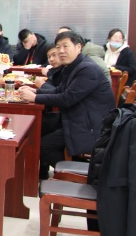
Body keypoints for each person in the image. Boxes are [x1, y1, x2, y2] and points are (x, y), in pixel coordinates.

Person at [17, 31, 114, 180]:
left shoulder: (87, 69)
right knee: (36, 127)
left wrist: (35, 98)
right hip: (76, 116)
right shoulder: (73, 66)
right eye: (58, 47)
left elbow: (67, 99)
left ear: (78, 47)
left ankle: (80, 175)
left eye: (65, 46)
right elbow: (59, 90)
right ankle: (36, 175)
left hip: (91, 125)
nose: (61, 51)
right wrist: (35, 91)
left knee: (43, 146)